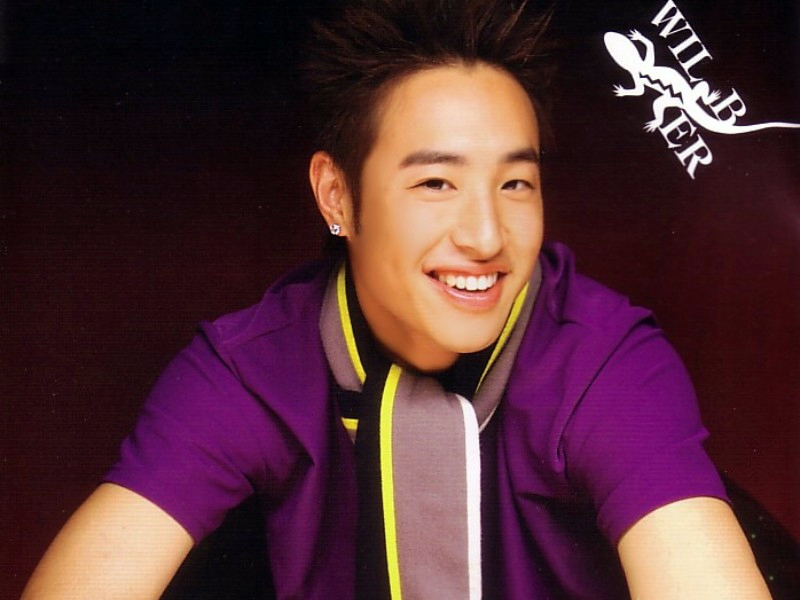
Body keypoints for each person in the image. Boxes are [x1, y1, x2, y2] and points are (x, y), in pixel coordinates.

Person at [22, 0, 773, 598]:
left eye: (516, 183)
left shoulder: (605, 361)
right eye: (435, 183)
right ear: (336, 195)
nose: (487, 236)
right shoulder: (250, 368)